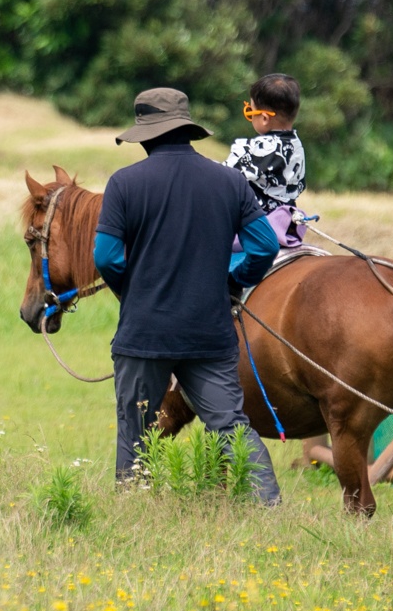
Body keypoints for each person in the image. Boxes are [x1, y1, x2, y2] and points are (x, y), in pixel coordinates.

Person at [92, 87, 284, 505]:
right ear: (186, 130)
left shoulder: (124, 184)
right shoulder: (229, 181)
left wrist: (133, 291)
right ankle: (268, 506)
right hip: (209, 332)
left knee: (136, 427)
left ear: (145, 134)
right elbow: (265, 247)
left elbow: (106, 256)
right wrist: (232, 280)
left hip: (144, 333)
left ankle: (133, 509)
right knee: (230, 425)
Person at [226, 72, 307, 249]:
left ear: (264, 118)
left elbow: (225, 175)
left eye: (250, 112)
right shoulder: (297, 145)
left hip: (255, 225)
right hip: (287, 222)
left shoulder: (258, 149)